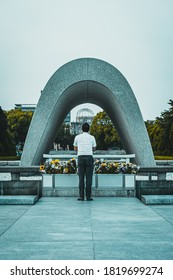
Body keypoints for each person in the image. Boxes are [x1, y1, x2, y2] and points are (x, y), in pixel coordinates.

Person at [73, 122, 96, 201]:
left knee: (81, 178)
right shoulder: (92, 137)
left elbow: (75, 148)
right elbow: (94, 148)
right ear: (89, 129)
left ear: (82, 129)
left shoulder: (77, 137)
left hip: (80, 157)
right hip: (89, 157)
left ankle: (81, 196)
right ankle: (88, 196)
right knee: (89, 178)